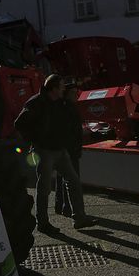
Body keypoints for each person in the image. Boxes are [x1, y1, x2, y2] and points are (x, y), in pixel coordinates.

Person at [15, 74, 97, 235]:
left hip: (60, 150)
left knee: (73, 181)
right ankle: (43, 223)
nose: (63, 90)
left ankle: (79, 218)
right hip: (44, 151)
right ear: (53, 88)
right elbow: (19, 123)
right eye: (61, 87)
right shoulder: (36, 103)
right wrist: (35, 140)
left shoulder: (59, 102)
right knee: (44, 187)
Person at [55, 82, 83, 217]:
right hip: (70, 148)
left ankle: (60, 205)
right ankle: (69, 208)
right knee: (71, 180)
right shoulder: (68, 108)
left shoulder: (61, 107)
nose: (75, 96)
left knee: (62, 178)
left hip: (65, 147)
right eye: (73, 93)